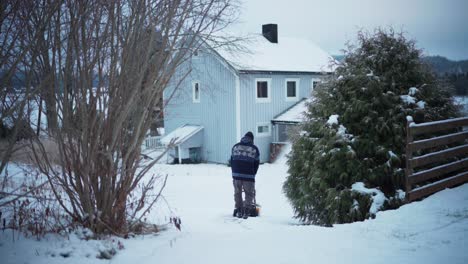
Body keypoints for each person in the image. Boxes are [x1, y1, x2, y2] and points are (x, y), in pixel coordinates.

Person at [230, 131, 260, 219]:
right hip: (249, 175)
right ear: (252, 139)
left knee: (237, 192)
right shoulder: (254, 149)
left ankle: (239, 210)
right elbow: (256, 163)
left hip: (236, 175)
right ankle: (246, 211)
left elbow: (232, 161)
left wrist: (234, 173)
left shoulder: (235, 147)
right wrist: (253, 173)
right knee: (249, 193)